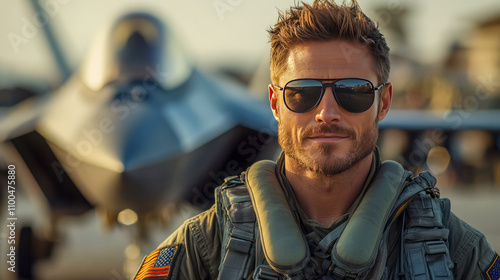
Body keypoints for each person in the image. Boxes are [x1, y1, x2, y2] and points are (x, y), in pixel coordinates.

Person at [133, 1, 500, 279]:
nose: (326, 113)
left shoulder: (451, 247)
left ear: (383, 102)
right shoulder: (206, 245)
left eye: (353, 91)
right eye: (302, 93)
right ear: (275, 104)